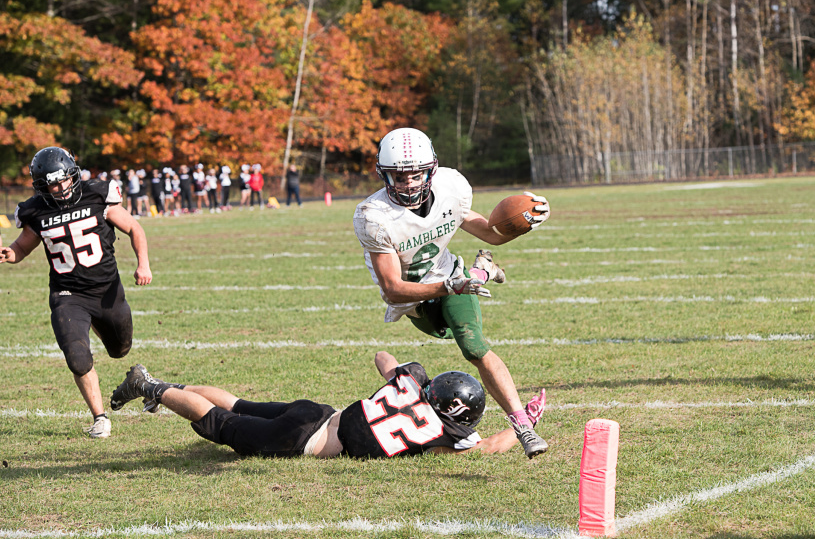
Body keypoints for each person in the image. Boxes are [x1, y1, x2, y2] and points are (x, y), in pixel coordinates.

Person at [352, 128, 551, 458]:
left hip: (451, 277)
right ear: (383, 174)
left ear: (431, 170)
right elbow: (392, 290)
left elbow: (491, 233)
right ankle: (483, 270)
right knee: (448, 319)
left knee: (473, 345)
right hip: (415, 301)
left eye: (416, 175)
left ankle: (524, 428)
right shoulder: (374, 216)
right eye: (399, 177)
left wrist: (524, 221)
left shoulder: (451, 187)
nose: (409, 184)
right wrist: (449, 285)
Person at [109, 352, 545, 459]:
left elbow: (382, 357)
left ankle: (168, 387)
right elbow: (490, 446)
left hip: (317, 412)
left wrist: (406, 376)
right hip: (305, 440)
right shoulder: (445, 436)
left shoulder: (412, 384)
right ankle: (150, 387)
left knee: (240, 403)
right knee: (219, 423)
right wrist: (526, 419)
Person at [0, 147, 152, 438]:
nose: (58, 189)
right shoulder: (36, 209)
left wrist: (143, 264)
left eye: (62, 181)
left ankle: (105, 337)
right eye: (51, 184)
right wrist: (9, 254)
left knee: (120, 349)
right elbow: (21, 247)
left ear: (73, 174)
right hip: (67, 294)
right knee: (77, 357)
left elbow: (134, 228)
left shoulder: (97, 194)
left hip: (107, 289)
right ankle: (100, 418)